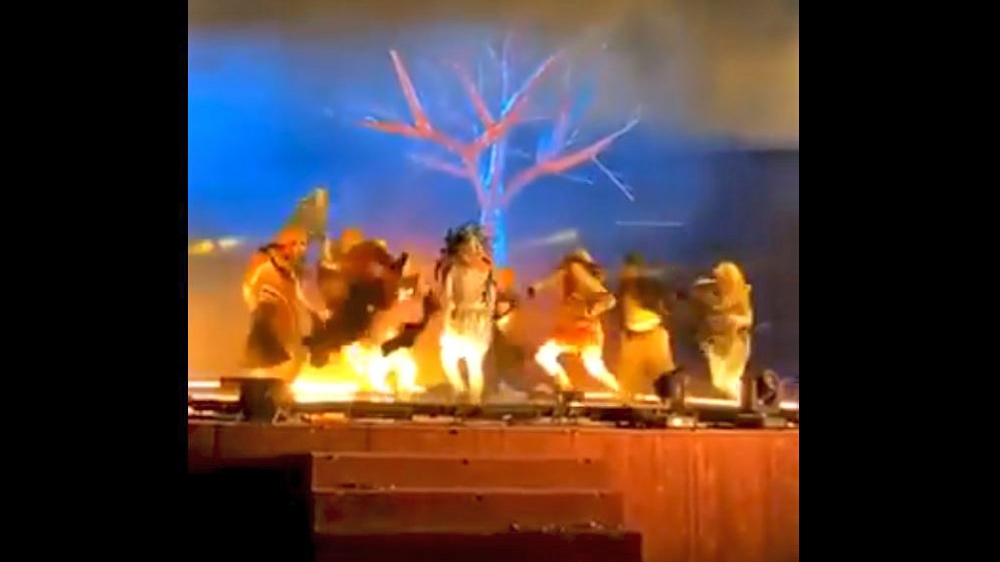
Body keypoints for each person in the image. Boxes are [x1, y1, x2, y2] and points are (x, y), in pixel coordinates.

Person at [241, 225, 328, 382]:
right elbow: (252, 292)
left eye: (303, 244)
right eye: (298, 244)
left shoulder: (289, 271)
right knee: (274, 372)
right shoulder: (266, 269)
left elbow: (299, 296)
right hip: (273, 335)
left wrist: (317, 314)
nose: (301, 249)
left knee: (288, 370)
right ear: (287, 245)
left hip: (287, 333)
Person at [527, 248, 619, 393]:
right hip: (570, 329)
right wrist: (536, 288)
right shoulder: (568, 276)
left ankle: (618, 390)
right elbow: (550, 280)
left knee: (593, 366)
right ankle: (566, 387)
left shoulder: (581, 276)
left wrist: (592, 310)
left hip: (584, 330)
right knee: (545, 356)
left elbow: (609, 300)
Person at [437, 223, 495, 404]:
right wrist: (446, 322)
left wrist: (487, 319)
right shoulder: (455, 271)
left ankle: (473, 400)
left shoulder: (485, 271)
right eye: (469, 246)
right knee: (449, 359)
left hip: (475, 320)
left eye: (476, 246)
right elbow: (448, 299)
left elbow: (491, 298)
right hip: (462, 318)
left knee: (473, 363)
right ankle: (462, 392)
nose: (473, 250)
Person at [615, 252, 677, 398]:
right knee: (627, 381)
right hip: (633, 337)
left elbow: (665, 306)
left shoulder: (650, 286)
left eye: (632, 268)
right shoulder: (623, 288)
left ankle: (670, 401)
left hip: (653, 335)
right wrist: (624, 333)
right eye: (626, 268)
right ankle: (627, 404)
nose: (628, 271)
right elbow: (620, 313)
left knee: (663, 375)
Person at [691, 261, 754, 399]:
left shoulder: (740, 295)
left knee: (728, 380)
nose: (720, 283)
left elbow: (747, 319)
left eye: (723, 279)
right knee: (719, 381)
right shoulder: (711, 293)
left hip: (735, 342)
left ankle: (742, 401)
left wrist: (732, 321)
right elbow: (699, 294)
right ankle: (739, 401)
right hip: (717, 344)